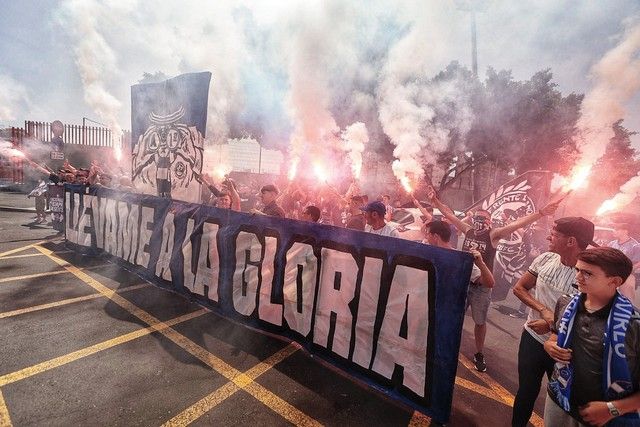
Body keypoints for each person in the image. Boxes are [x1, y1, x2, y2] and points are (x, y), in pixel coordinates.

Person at [511, 217, 596, 427]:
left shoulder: (590, 274)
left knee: (563, 400)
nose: (549, 236)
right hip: (533, 338)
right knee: (526, 391)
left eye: (555, 234)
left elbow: (592, 318)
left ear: (571, 241)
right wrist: (543, 310)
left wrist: (552, 324)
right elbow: (519, 288)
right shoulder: (545, 258)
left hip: (566, 349)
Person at [543, 247, 640, 426]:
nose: (577, 277)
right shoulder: (566, 303)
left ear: (615, 281)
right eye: (577, 270)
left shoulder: (633, 325)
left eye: (587, 273)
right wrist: (549, 345)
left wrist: (612, 408)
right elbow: (555, 337)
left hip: (606, 416)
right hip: (558, 398)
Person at [427, 186, 561, 269]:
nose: (479, 220)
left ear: (489, 221)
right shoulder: (468, 230)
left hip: (482, 284)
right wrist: (435, 201)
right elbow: (450, 215)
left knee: (479, 316)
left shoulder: (493, 234)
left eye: (482, 218)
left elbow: (517, 224)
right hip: (464, 276)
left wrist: (541, 213)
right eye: (477, 218)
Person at [424, 220, 495, 372]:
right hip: (460, 290)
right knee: (452, 318)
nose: (426, 237)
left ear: (436, 236)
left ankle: (479, 353)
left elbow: (489, 282)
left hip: (478, 288)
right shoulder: (434, 252)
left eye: (428, 234)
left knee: (479, 321)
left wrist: (481, 263)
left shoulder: (459, 259)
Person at [607, 223, 640, 301]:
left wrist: (625, 272)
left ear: (625, 231)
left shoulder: (635, 246)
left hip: (627, 277)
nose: (613, 231)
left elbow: (638, 263)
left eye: (616, 229)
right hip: (610, 275)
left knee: (625, 301)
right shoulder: (612, 243)